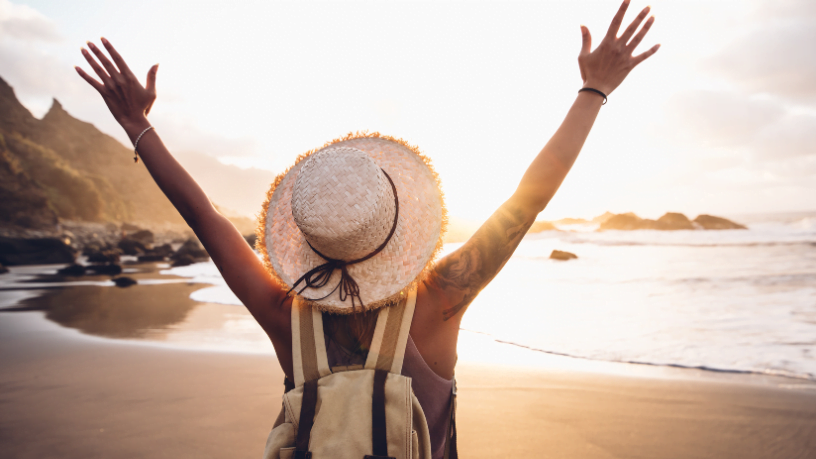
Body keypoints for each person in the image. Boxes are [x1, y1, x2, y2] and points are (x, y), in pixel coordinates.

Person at [76, 1, 658, 457]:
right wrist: (593, 91)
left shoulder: (285, 315)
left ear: (306, 241)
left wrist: (137, 127)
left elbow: (204, 217)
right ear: (401, 225)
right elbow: (527, 202)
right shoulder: (438, 301)